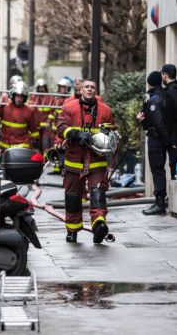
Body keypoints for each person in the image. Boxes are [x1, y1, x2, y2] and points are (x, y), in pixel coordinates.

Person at [56, 78, 116, 244]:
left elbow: (114, 133)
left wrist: (107, 133)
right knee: (73, 197)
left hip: (97, 162)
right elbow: (60, 127)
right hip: (74, 161)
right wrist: (75, 134)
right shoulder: (69, 108)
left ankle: (99, 225)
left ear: (96, 91)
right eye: (87, 87)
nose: (89, 89)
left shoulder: (105, 111)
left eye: (93, 87)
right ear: (81, 90)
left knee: (98, 194)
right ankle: (72, 230)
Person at [138, 71, 173, 216]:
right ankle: (160, 201)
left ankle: (159, 204)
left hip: (156, 139)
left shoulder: (154, 99)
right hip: (163, 138)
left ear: (149, 82)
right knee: (160, 170)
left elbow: (157, 122)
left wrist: (142, 120)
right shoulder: (164, 95)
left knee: (157, 170)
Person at [0, 81, 40, 154]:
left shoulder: (29, 111)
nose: (19, 99)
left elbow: (34, 129)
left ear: (24, 98)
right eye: (17, 96)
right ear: (13, 96)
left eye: (21, 97)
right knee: (1, 165)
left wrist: (35, 142)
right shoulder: (5, 107)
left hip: (22, 147)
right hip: (6, 146)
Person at [161, 64, 177, 179]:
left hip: (174, 136)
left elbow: (172, 115)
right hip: (176, 134)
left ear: (165, 75)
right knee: (175, 164)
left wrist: (171, 137)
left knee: (175, 165)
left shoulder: (172, 91)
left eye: (162, 75)